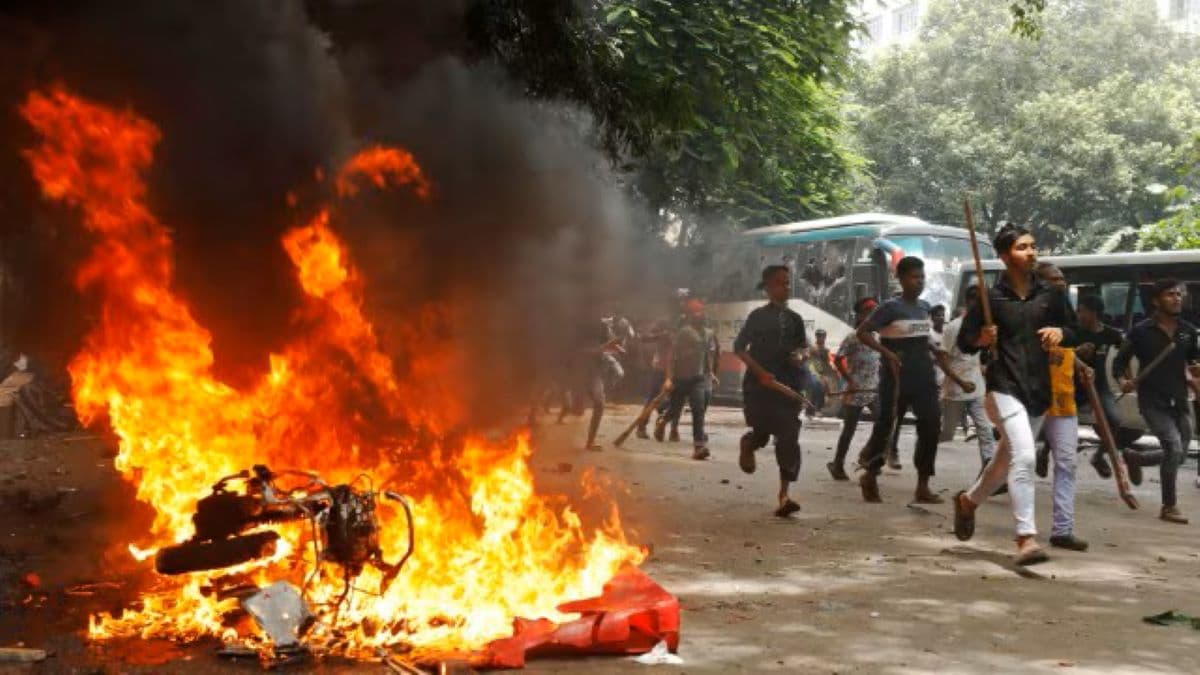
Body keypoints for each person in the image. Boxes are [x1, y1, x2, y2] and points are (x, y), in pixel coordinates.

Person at [952, 223, 1078, 566]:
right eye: (1023, 247)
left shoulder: (1050, 295)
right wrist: (983, 337)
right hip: (1003, 386)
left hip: (1039, 388)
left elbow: (1074, 330)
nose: (1032, 252)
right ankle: (1026, 538)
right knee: (1024, 457)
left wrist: (1059, 331)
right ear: (1005, 255)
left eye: (1033, 246)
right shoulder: (987, 297)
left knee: (1005, 458)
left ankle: (968, 501)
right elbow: (964, 343)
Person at [854, 256, 943, 504]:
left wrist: (938, 352)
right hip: (895, 376)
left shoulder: (924, 307)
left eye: (922, 276)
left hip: (923, 374)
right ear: (901, 279)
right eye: (915, 277)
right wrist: (887, 353)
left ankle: (923, 484)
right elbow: (862, 333)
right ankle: (870, 473)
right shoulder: (889, 308)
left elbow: (923, 338)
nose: (920, 281)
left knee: (932, 424)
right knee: (886, 425)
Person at [1112, 278, 1200, 524]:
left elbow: (1193, 365)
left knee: (1180, 454)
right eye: (1170, 294)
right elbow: (1119, 364)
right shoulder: (1140, 331)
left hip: (1180, 400)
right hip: (1153, 401)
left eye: (1179, 294)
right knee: (1173, 447)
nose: (1177, 298)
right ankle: (1169, 506)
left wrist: (1196, 378)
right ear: (1155, 301)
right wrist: (1123, 382)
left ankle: (1136, 457)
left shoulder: (1188, 332)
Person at [734, 265, 808, 517]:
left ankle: (784, 496)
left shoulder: (796, 320)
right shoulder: (757, 317)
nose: (785, 287)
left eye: (788, 283)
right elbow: (739, 348)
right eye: (779, 283)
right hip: (759, 388)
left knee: (788, 437)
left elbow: (803, 348)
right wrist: (760, 373)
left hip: (788, 388)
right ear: (767, 287)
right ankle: (749, 443)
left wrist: (800, 356)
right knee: (763, 435)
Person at [1031, 262, 1089, 551]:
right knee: (1018, 461)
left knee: (1067, 463)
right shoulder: (1029, 311)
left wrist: (1079, 364)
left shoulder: (1066, 316)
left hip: (1063, 397)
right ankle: (972, 499)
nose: (1061, 283)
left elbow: (1065, 347)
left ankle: (1062, 530)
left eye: (1063, 279)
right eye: (1054, 279)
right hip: (1033, 394)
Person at [1073, 294, 1131, 478]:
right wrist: (1076, 351)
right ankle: (1044, 452)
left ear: (1094, 313)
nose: (1078, 314)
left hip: (1100, 387)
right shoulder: (1073, 332)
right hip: (1073, 387)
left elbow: (1126, 351)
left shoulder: (1110, 334)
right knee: (1060, 424)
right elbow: (1058, 353)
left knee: (1114, 420)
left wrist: (1125, 376)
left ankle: (1098, 456)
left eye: (1082, 311)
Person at [940, 286, 996, 469]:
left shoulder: (985, 327)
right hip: (955, 390)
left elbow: (978, 356)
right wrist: (961, 382)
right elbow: (943, 360)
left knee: (985, 429)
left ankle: (988, 467)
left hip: (977, 387)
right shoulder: (953, 327)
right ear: (970, 302)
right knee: (947, 433)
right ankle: (925, 446)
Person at [657, 299, 717, 459]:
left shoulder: (709, 333)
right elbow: (672, 357)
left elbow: (707, 355)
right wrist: (669, 378)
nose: (700, 315)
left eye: (701, 312)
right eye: (696, 312)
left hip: (698, 379)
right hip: (681, 378)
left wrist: (710, 372)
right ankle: (663, 422)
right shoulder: (683, 332)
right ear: (690, 316)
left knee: (698, 410)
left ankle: (698, 447)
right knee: (675, 410)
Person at [829, 297, 880, 481]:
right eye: (868, 310)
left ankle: (868, 456)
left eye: (875, 310)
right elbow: (837, 359)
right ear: (859, 315)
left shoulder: (876, 336)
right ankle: (837, 464)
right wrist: (849, 380)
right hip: (856, 390)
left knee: (883, 424)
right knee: (849, 430)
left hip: (873, 389)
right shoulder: (853, 337)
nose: (873, 314)